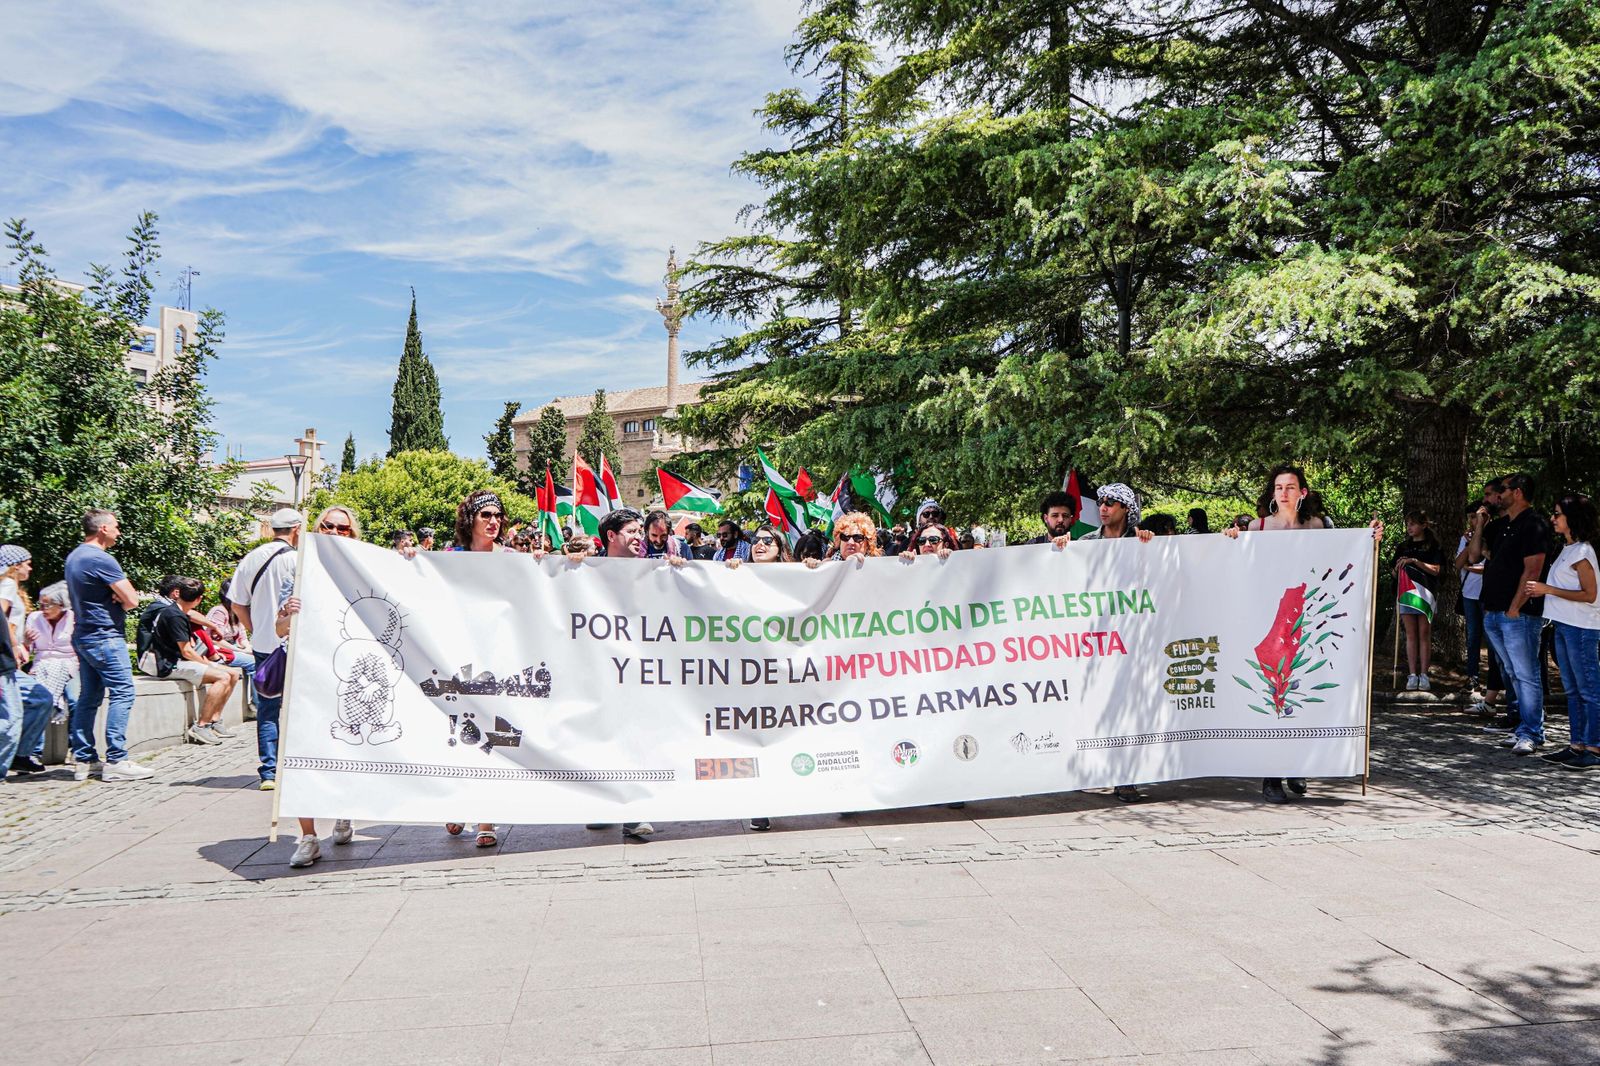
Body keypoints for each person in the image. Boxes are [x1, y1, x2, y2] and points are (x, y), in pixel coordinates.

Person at [1223, 465, 1383, 802]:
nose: (1283, 493)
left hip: (1308, 613)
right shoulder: (1259, 526)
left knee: (1304, 685)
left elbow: (1341, 555)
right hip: (1270, 613)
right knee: (1273, 689)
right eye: (1278, 487)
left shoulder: (1320, 526)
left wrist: (1370, 538)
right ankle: (1271, 775)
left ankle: (1296, 762)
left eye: (1290, 487)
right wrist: (1232, 541)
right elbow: (1241, 565)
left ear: (1302, 492)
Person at [285, 507, 364, 867]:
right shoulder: (302, 570)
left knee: (348, 748)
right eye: (327, 526)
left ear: (352, 533)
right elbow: (277, 628)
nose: (333, 531)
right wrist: (288, 612)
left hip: (351, 675)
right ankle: (308, 836)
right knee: (304, 750)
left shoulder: (363, 569)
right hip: (309, 673)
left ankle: (344, 811)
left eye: (342, 528)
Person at [1076, 485, 1155, 801]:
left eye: (1111, 503)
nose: (1103, 507)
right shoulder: (1085, 543)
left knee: (1127, 705)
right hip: (1096, 638)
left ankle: (1126, 777)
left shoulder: (1140, 541)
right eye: (1101, 502)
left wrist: (1149, 547)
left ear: (1126, 508)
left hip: (1133, 637)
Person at [65, 511, 148, 781]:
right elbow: (133, 600)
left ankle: (84, 758)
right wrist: (121, 599)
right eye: (115, 526)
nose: (119, 531)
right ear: (102, 529)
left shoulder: (74, 556)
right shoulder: (101, 558)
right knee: (123, 692)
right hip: (105, 635)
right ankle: (116, 760)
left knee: (89, 697)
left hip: (83, 634)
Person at [445, 491, 508, 848]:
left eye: (498, 515)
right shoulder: (449, 558)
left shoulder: (512, 558)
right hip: (455, 658)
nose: (493, 521)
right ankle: (457, 802)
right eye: (485, 514)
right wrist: (409, 559)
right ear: (470, 518)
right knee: (456, 735)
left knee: (491, 738)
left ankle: (487, 818)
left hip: (498, 661)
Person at [1473, 473, 1552, 755]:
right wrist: (1480, 525)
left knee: (1527, 674)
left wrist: (1515, 606)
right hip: (1493, 611)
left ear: (1517, 493)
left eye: (1503, 490)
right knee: (1513, 673)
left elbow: (1533, 570)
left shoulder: (1535, 524)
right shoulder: (1504, 525)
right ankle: (1521, 726)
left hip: (1518, 614)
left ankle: (1533, 732)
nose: (1497, 496)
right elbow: (1474, 557)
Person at [724, 522, 795, 831]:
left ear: (781, 549)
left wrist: (812, 569)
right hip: (750, 672)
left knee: (781, 736)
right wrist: (727, 574)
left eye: (769, 540)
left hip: (784, 672)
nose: (760, 544)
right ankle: (760, 805)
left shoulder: (796, 578)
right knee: (754, 736)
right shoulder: (736, 574)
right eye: (756, 540)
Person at [230, 507, 304, 791]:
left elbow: (237, 603)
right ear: (296, 529)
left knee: (268, 708)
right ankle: (298, 766)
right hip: (295, 642)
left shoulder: (250, 559)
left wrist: (255, 629)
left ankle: (269, 771)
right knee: (300, 706)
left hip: (264, 645)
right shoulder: (300, 560)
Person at [1525, 494, 1600, 770]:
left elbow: (1590, 595)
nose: (1552, 518)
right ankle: (1577, 745)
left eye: (1557, 514)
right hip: (1563, 625)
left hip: (1581, 628)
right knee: (1572, 689)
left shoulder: (1582, 552)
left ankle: (1594, 747)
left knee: (1589, 689)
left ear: (1573, 518)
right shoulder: (1567, 549)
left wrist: (1547, 589)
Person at [137, 576, 239, 745]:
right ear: (198, 600)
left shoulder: (177, 611)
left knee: (233, 674)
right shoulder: (174, 615)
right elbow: (187, 651)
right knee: (223, 677)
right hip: (168, 664)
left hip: (176, 660)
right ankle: (201, 726)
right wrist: (208, 663)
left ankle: (214, 720)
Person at [20, 581, 77, 772]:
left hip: (69, 666)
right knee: (38, 701)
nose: (43, 609)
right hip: (42, 666)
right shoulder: (34, 618)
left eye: (47, 605)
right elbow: (25, 651)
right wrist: (26, 641)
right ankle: (33, 752)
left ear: (62, 605)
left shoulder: (73, 618)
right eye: (41, 604)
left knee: (75, 700)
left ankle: (76, 748)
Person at [1, 601, 54, 781]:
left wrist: (21, 645)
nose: (30, 569)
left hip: (8, 664)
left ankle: (20, 754)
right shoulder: (6, 585)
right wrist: (15, 646)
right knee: (10, 720)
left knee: (41, 699)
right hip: (3, 665)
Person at [1393, 511, 1444, 691]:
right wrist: (1400, 567)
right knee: (1411, 634)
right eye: (1408, 523)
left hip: (1426, 594)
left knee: (1424, 634)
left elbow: (1436, 570)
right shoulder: (1402, 547)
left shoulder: (1433, 546)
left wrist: (1415, 561)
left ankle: (1424, 674)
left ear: (1423, 525)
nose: (1410, 527)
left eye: (1413, 523)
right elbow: (1393, 573)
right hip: (1406, 594)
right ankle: (1412, 675)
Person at [1455, 501, 1497, 710]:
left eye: (1476, 516)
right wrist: (1468, 545)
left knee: (1491, 640)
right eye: (1470, 517)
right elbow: (1459, 564)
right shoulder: (1466, 538)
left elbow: (1490, 565)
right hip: (1469, 594)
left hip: (1489, 594)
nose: (1473, 521)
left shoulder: (1494, 534)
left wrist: (1472, 566)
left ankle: (1494, 682)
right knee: (1472, 637)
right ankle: (1472, 677)